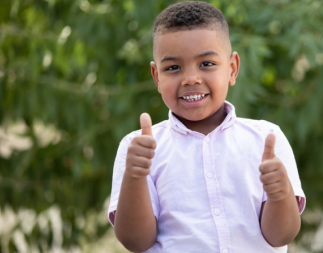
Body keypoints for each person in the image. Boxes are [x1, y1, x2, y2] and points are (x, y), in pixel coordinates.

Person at [108, 2, 306, 252]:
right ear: (157, 76)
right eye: (173, 68)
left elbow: (281, 235)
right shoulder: (137, 149)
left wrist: (280, 194)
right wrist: (135, 176)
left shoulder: (267, 139)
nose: (191, 78)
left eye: (206, 64)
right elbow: (136, 241)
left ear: (232, 69)